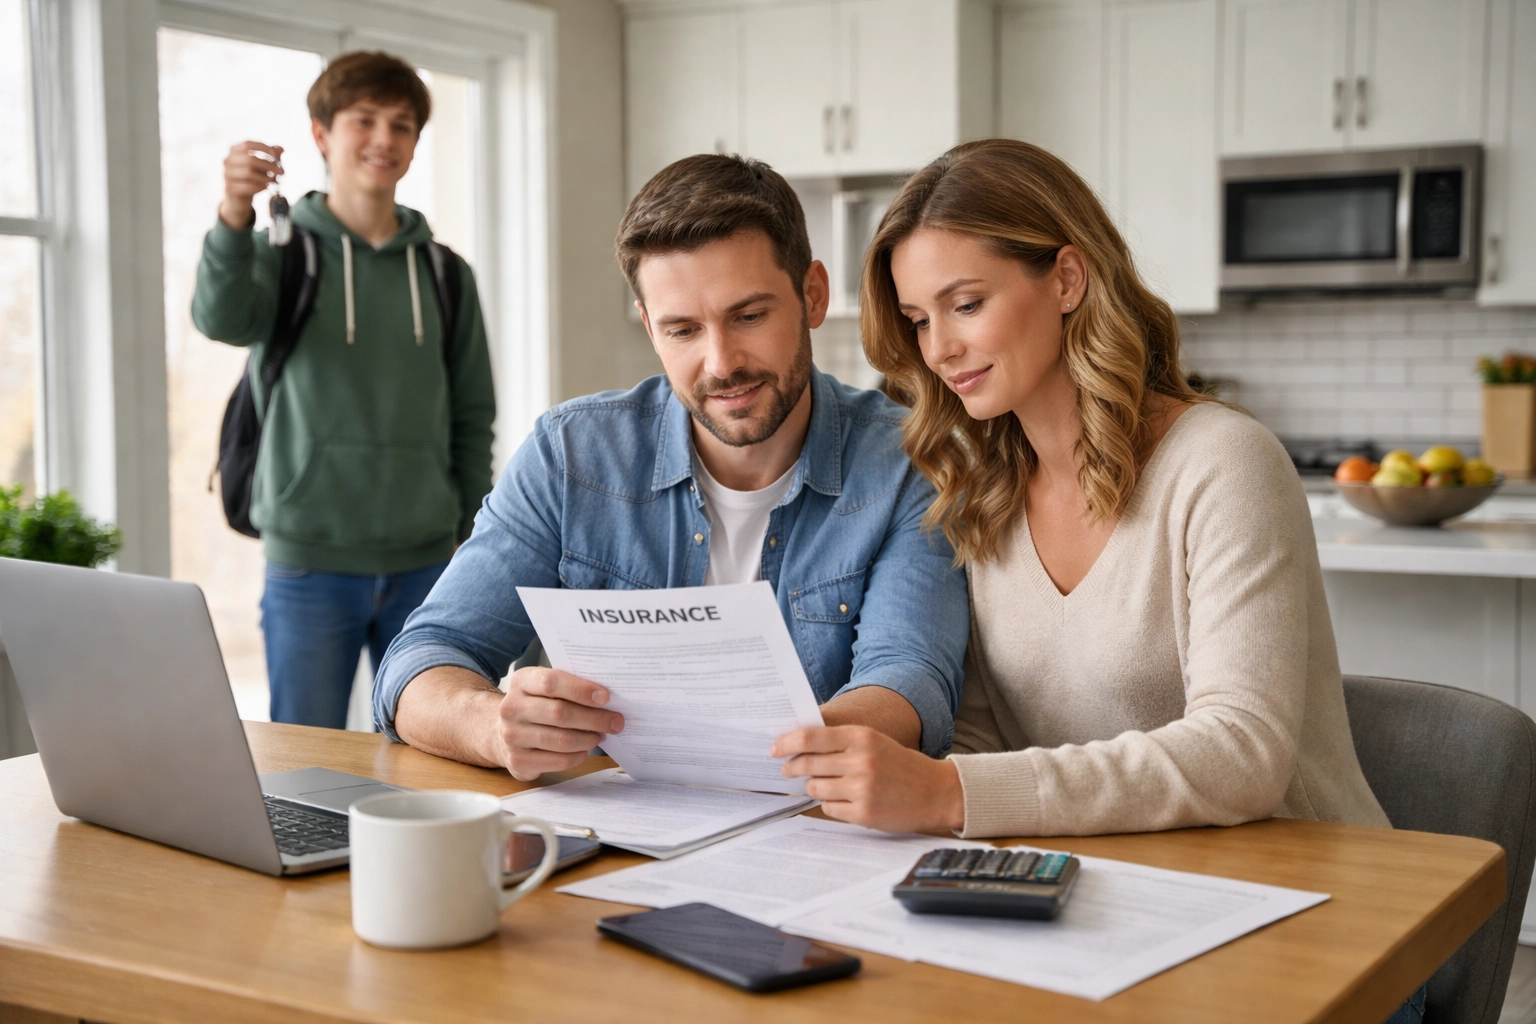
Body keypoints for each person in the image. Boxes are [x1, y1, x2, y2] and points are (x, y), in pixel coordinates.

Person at [772, 138, 1390, 842]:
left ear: (1068, 280)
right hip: (1111, 887)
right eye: (918, 322)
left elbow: (1241, 752)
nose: (937, 349)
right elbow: (982, 738)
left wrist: (949, 793)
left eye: (966, 304)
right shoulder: (983, 496)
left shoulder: (1223, 464)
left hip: (1306, 890)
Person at [373, 154, 968, 778]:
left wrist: (772, 753)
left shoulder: (908, 460)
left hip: (809, 825)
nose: (720, 363)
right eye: (682, 330)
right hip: (603, 840)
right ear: (649, 326)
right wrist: (492, 728)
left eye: (750, 316)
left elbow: (910, 679)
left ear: (812, 295)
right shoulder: (570, 455)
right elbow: (421, 661)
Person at [193, 52, 496, 729]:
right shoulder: (282, 254)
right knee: (305, 762)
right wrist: (234, 212)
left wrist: (471, 543)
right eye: (365, 120)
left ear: (416, 144)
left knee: (428, 760)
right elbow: (220, 320)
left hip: (428, 566)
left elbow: (473, 419)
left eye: (403, 125)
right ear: (322, 134)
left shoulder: (447, 276)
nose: (384, 140)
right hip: (309, 564)